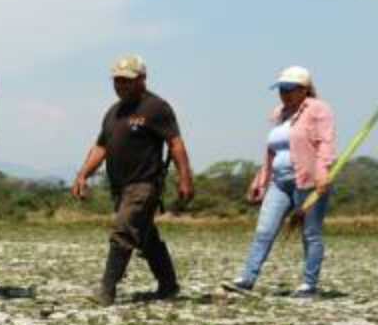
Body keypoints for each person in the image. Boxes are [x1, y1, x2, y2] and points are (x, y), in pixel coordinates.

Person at [71, 55, 194, 306]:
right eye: (117, 81)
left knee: (124, 230)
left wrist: (185, 179)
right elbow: (100, 147)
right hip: (119, 186)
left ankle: (106, 290)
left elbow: (175, 144)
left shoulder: (156, 107)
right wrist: (83, 174)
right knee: (146, 237)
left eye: (127, 81)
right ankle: (168, 285)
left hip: (144, 183)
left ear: (142, 80)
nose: (121, 86)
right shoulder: (113, 112)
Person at [224, 65, 335, 299]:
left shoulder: (318, 109)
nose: (283, 93)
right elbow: (271, 151)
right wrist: (260, 181)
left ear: (304, 89)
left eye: (288, 89)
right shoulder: (279, 114)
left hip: (308, 180)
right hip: (280, 181)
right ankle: (247, 279)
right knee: (264, 230)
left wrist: (323, 172)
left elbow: (326, 142)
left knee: (310, 233)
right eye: (281, 89)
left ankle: (309, 283)